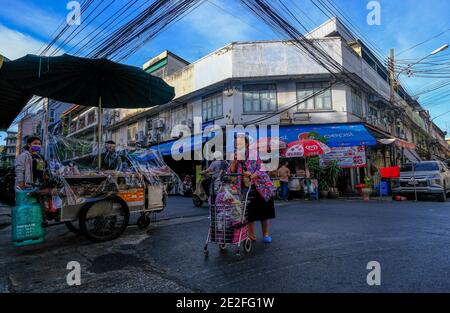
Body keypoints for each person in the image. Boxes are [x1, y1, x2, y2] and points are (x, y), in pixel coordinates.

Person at [228, 135, 276, 243]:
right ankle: (251, 235)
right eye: (236, 143)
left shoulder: (253, 154)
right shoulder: (234, 156)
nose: (237, 145)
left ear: (246, 144)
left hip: (260, 187)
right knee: (248, 213)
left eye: (240, 143)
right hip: (245, 188)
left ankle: (266, 234)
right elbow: (231, 173)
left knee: (264, 212)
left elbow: (261, 170)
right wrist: (233, 163)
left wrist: (252, 175)